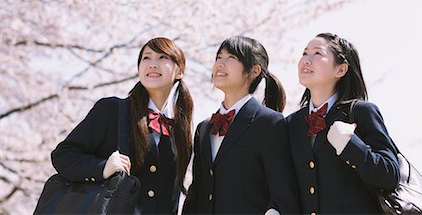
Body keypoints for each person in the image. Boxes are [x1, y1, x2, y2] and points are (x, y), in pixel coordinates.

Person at [51, 37, 193, 214]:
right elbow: (63, 156)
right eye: (146, 58)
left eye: (162, 57)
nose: (152, 64)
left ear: (179, 70)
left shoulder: (181, 131)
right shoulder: (112, 110)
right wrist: (102, 168)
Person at [183, 36, 300, 214]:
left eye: (231, 58)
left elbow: (283, 197)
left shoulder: (269, 123)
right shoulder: (204, 128)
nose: (220, 64)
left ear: (254, 70)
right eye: (218, 57)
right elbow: (196, 192)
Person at [286, 32, 400, 214]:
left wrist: (350, 145)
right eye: (304, 53)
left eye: (317, 54)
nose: (306, 60)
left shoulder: (361, 112)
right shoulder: (290, 124)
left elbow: (389, 175)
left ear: (340, 70)